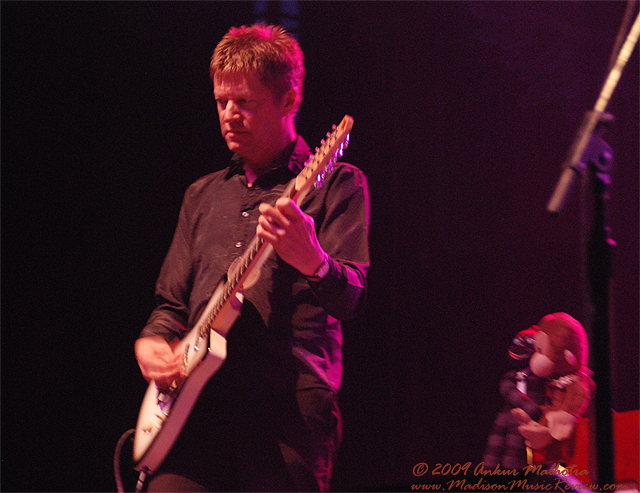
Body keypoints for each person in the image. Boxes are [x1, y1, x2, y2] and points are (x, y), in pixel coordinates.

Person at [134, 23, 370, 492]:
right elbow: (170, 306)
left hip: (288, 409)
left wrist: (314, 261)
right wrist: (152, 344)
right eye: (222, 102)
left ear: (289, 101)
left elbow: (351, 299)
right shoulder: (201, 196)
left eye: (245, 102)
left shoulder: (336, 183)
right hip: (196, 409)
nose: (229, 114)